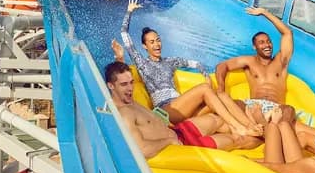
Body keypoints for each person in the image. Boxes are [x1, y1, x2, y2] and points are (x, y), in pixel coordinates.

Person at [114, 0, 260, 138]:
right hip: (165, 111)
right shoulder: (142, 63)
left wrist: (205, 75)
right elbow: (124, 34)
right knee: (204, 89)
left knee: (220, 96)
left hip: (182, 109)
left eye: (158, 40)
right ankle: (238, 127)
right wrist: (129, 11)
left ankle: (250, 126)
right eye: (151, 42)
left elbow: (195, 63)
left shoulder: (171, 61)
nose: (157, 44)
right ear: (144, 46)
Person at [104, 61, 249, 157]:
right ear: (111, 86)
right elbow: (141, 150)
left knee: (217, 119)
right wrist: (169, 141)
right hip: (183, 145)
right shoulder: (124, 115)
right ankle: (260, 139)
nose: (130, 88)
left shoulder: (129, 100)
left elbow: (120, 78)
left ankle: (251, 126)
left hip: (177, 130)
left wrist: (119, 57)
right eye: (124, 85)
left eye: (131, 83)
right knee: (237, 139)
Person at [214, 6, 295, 125]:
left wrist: (264, 12)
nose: (267, 45)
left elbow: (287, 33)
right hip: (253, 106)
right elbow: (222, 66)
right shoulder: (249, 62)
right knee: (235, 104)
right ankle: (258, 128)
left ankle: (269, 131)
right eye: (261, 43)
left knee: (289, 110)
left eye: (269, 41)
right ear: (254, 47)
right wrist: (221, 88)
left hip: (275, 109)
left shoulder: (281, 61)